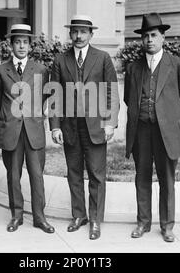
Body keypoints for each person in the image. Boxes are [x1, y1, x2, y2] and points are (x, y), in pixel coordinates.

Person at [124, 13, 180, 242]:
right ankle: (143, 222)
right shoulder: (133, 68)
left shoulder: (177, 65)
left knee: (167, 179)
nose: (149, 40)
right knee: (142, 177)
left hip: (167, 132)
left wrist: (179, 121)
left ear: (163, 37)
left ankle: (167, 226)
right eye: (145, 36)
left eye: (154, 35)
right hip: (142, 131)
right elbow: (129, 98)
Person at [50, 15, 119, 240]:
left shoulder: (102, 58)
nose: (78, 36)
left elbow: (111, 92)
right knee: (74, 173)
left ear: (91, 34)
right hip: (70, 127)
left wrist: (110, 123)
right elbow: (54, 95)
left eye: (83, 31)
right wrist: (55, 127)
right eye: (75, 31)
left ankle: (96, 220)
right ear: (70, 34)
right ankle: (78, 215)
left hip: (96, 126)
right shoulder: (61, 60)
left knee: (97, 175)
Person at [0, 24, 54, 234]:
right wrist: (8, 117)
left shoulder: (41, 69)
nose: (21, 46)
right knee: (13, 174)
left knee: (37, 174)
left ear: (30, 45)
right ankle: (16, 215)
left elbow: (44, 96)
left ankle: (39, 217)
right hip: (11, 131)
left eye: (25, 42)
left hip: (33, 130)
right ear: (11, 45)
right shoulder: (0, 71)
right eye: (17, 42)